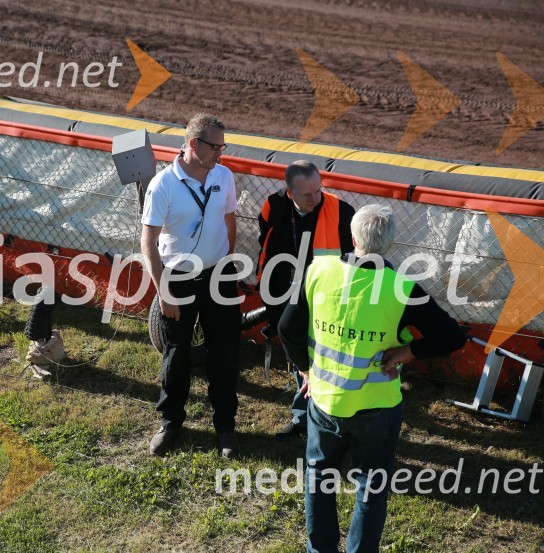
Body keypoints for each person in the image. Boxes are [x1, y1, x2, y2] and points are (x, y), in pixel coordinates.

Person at [278, 205, 465, 553]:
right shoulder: (402, 287)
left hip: (324, 401)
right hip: (377, 407)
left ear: (352, 237)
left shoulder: (319, 270)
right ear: (392, 243)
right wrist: (408, 353)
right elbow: (452, 336)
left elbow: (287, 327)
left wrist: (305, 369)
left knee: (319, 480)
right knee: (370, 488)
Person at [140, 113, 241, 458]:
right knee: (176, 353)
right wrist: (164, 291)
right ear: (194, 145)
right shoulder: (163, 184)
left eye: (224, 146)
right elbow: (148, 243)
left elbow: (230, 220)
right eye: (216, 146)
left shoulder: (224, 176)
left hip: (216, 275)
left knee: (225, 352)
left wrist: (228, 262)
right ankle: (170, 422)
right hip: (178, 278)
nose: (221, 153)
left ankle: (225, 426)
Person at [256, 160, 355, 438]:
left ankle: (317, 416)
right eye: (307, 195)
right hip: (284, 290)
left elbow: (352, 258)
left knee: (319, 357)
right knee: (298, 353)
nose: (316, 199)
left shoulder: (342, 211)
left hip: (326, 297)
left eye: (318, 190)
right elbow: (265, 238)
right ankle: (304, 416)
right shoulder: (273, 205)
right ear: (289, 193)